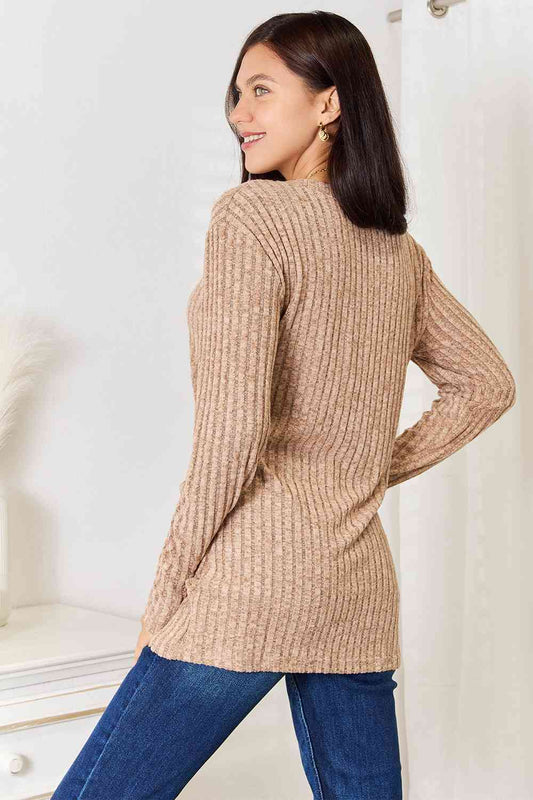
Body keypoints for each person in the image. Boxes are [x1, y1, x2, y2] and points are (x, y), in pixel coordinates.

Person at [51, 10, 516, 800]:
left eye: (261, 90)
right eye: (236, 95)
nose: (239, 113)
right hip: (354, 589)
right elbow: (486, 383)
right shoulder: (397, 251)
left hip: (252, 581)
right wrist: (360, 471)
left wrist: (168, 590)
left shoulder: (252, 217)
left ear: (328, 103)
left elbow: (231, 434)